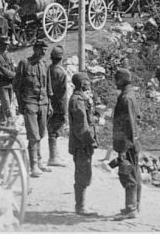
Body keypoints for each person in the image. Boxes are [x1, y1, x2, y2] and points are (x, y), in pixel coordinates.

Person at [14, 39, 53, 177]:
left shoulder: (45, 64)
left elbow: (48, 87)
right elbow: (17, 86)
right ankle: (33, 165)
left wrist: (49, 104)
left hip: (43, 103)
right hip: (29, 103)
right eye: (41, 49)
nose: (43, 52)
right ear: (35, 49)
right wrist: (21, 105)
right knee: (33, 136)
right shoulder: (24, 64)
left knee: (41, 134)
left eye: (45, 50)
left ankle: (40, 161)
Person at [112, 67, 141, 219]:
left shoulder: (126, 99)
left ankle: (131, 209)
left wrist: (123, 148)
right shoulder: (130, 95)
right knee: (133, 174)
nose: (114, 82)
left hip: (127, 143)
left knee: (127, 174)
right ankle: (134, 206)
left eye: (116, 79)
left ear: (121, 80)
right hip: (131, 143)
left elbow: (129, 124)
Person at [67, 72, 98, 216]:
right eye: (86, 81)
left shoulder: (81, 98)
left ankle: (81, 205)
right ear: (81, 84)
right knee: (82, 173)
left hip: (84, 142)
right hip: (81, 144)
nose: (89, 82)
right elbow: (81, 126)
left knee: (85, 172)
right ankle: (80, 206)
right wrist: (89, 141)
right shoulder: (77, 100)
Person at [46, 46, 68, 167]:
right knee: (55, 130)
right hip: (58, 104)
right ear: (61, 58)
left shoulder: (49, 69)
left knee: (51, 129)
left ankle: (54, 154)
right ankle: (53, 157)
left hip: (49, 103)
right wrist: (64, 110)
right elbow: (62, 93)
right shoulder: (61, 72)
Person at [0, 37, 16, 126]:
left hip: (10, 82)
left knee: (7, 102)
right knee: (6, 103)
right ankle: (10, 121)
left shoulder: (9, 55)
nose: (6, 47)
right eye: (4, 45)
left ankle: (2, 120)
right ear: (0, 44)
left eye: (7, 45)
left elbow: (14, 66)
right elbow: (3, 70)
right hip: (1, 82)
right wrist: (16, 75)